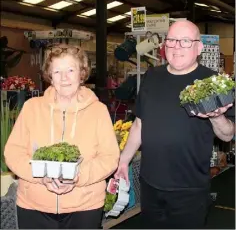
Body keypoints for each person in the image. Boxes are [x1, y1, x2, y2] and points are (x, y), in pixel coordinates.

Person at [115, 20, 235, 229]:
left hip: (190, 189)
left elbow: (228, 135)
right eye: (171, 40)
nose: (176, 46)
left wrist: (216, 116)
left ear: (199, 47)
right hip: (150, 184)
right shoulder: (152, 76)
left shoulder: (212, 81)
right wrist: (123, 161)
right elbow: (139, 125)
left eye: (185, 41)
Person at [4, 44, 120, 229]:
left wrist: (77, 176)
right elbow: (13, 152)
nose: (64, 78)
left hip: (85, 206)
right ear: (49, 76)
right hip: (34, 205)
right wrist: (40, 176)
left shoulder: (98, 111)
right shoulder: (31, 108)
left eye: (70, 70)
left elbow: (109, 157)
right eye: (57, 71)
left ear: (82, 74)